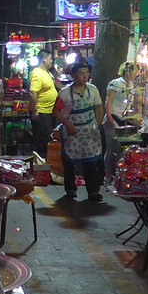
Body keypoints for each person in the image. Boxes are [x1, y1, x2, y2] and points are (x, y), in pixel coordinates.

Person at [53, 62, 105, 201]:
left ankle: (93, 191)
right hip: (72, 132)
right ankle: (70, 189)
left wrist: (98, 125)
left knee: (91, 162)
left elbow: (99, 107)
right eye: (81, 73)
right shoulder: (64, 93)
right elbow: (56, 111)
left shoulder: (93, 90)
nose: (85, 76)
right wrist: (68, 124)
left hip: (89, 132)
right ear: (74, 76)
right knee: (69, 161)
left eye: (87, 73)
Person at [30, 50, 58, 157]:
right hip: (42, 112)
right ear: (44, 60)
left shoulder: (46, 72)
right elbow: (33, 93)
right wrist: (35, 110)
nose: (52, 61)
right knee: (42, 140)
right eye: (51, 59)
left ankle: (46, 163)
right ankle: (39, 163)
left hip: (49, 112)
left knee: (48, 138)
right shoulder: (37, 73)